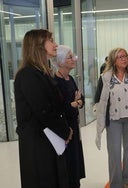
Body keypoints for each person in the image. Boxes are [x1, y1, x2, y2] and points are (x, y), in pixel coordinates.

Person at [14, 29, 73, 188]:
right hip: (37, 145)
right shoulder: (28, 75)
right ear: (38, 45)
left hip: (49, 141)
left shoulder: (42, 72)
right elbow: (43, 111)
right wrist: (65, 131)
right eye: (51, 40)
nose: (56, 44)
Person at [94, 47, 128, 188]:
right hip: (113, 119)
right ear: (113, 60)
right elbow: (98, 98)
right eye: (120, 57)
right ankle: (116, 182)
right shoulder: (105, 78)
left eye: (125, 56)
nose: (124, 59)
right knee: (114, 152)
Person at [53, 45, 86, 188]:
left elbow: (81, 99)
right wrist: (73, 103)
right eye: (70, 57)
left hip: (74, 125)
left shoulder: (70, 78)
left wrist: (77, 102)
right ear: (60, 62)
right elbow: (58, 108)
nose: (74, 59)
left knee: (75, 161)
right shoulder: (54, 82)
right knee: (66, 163)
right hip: (63, 129)